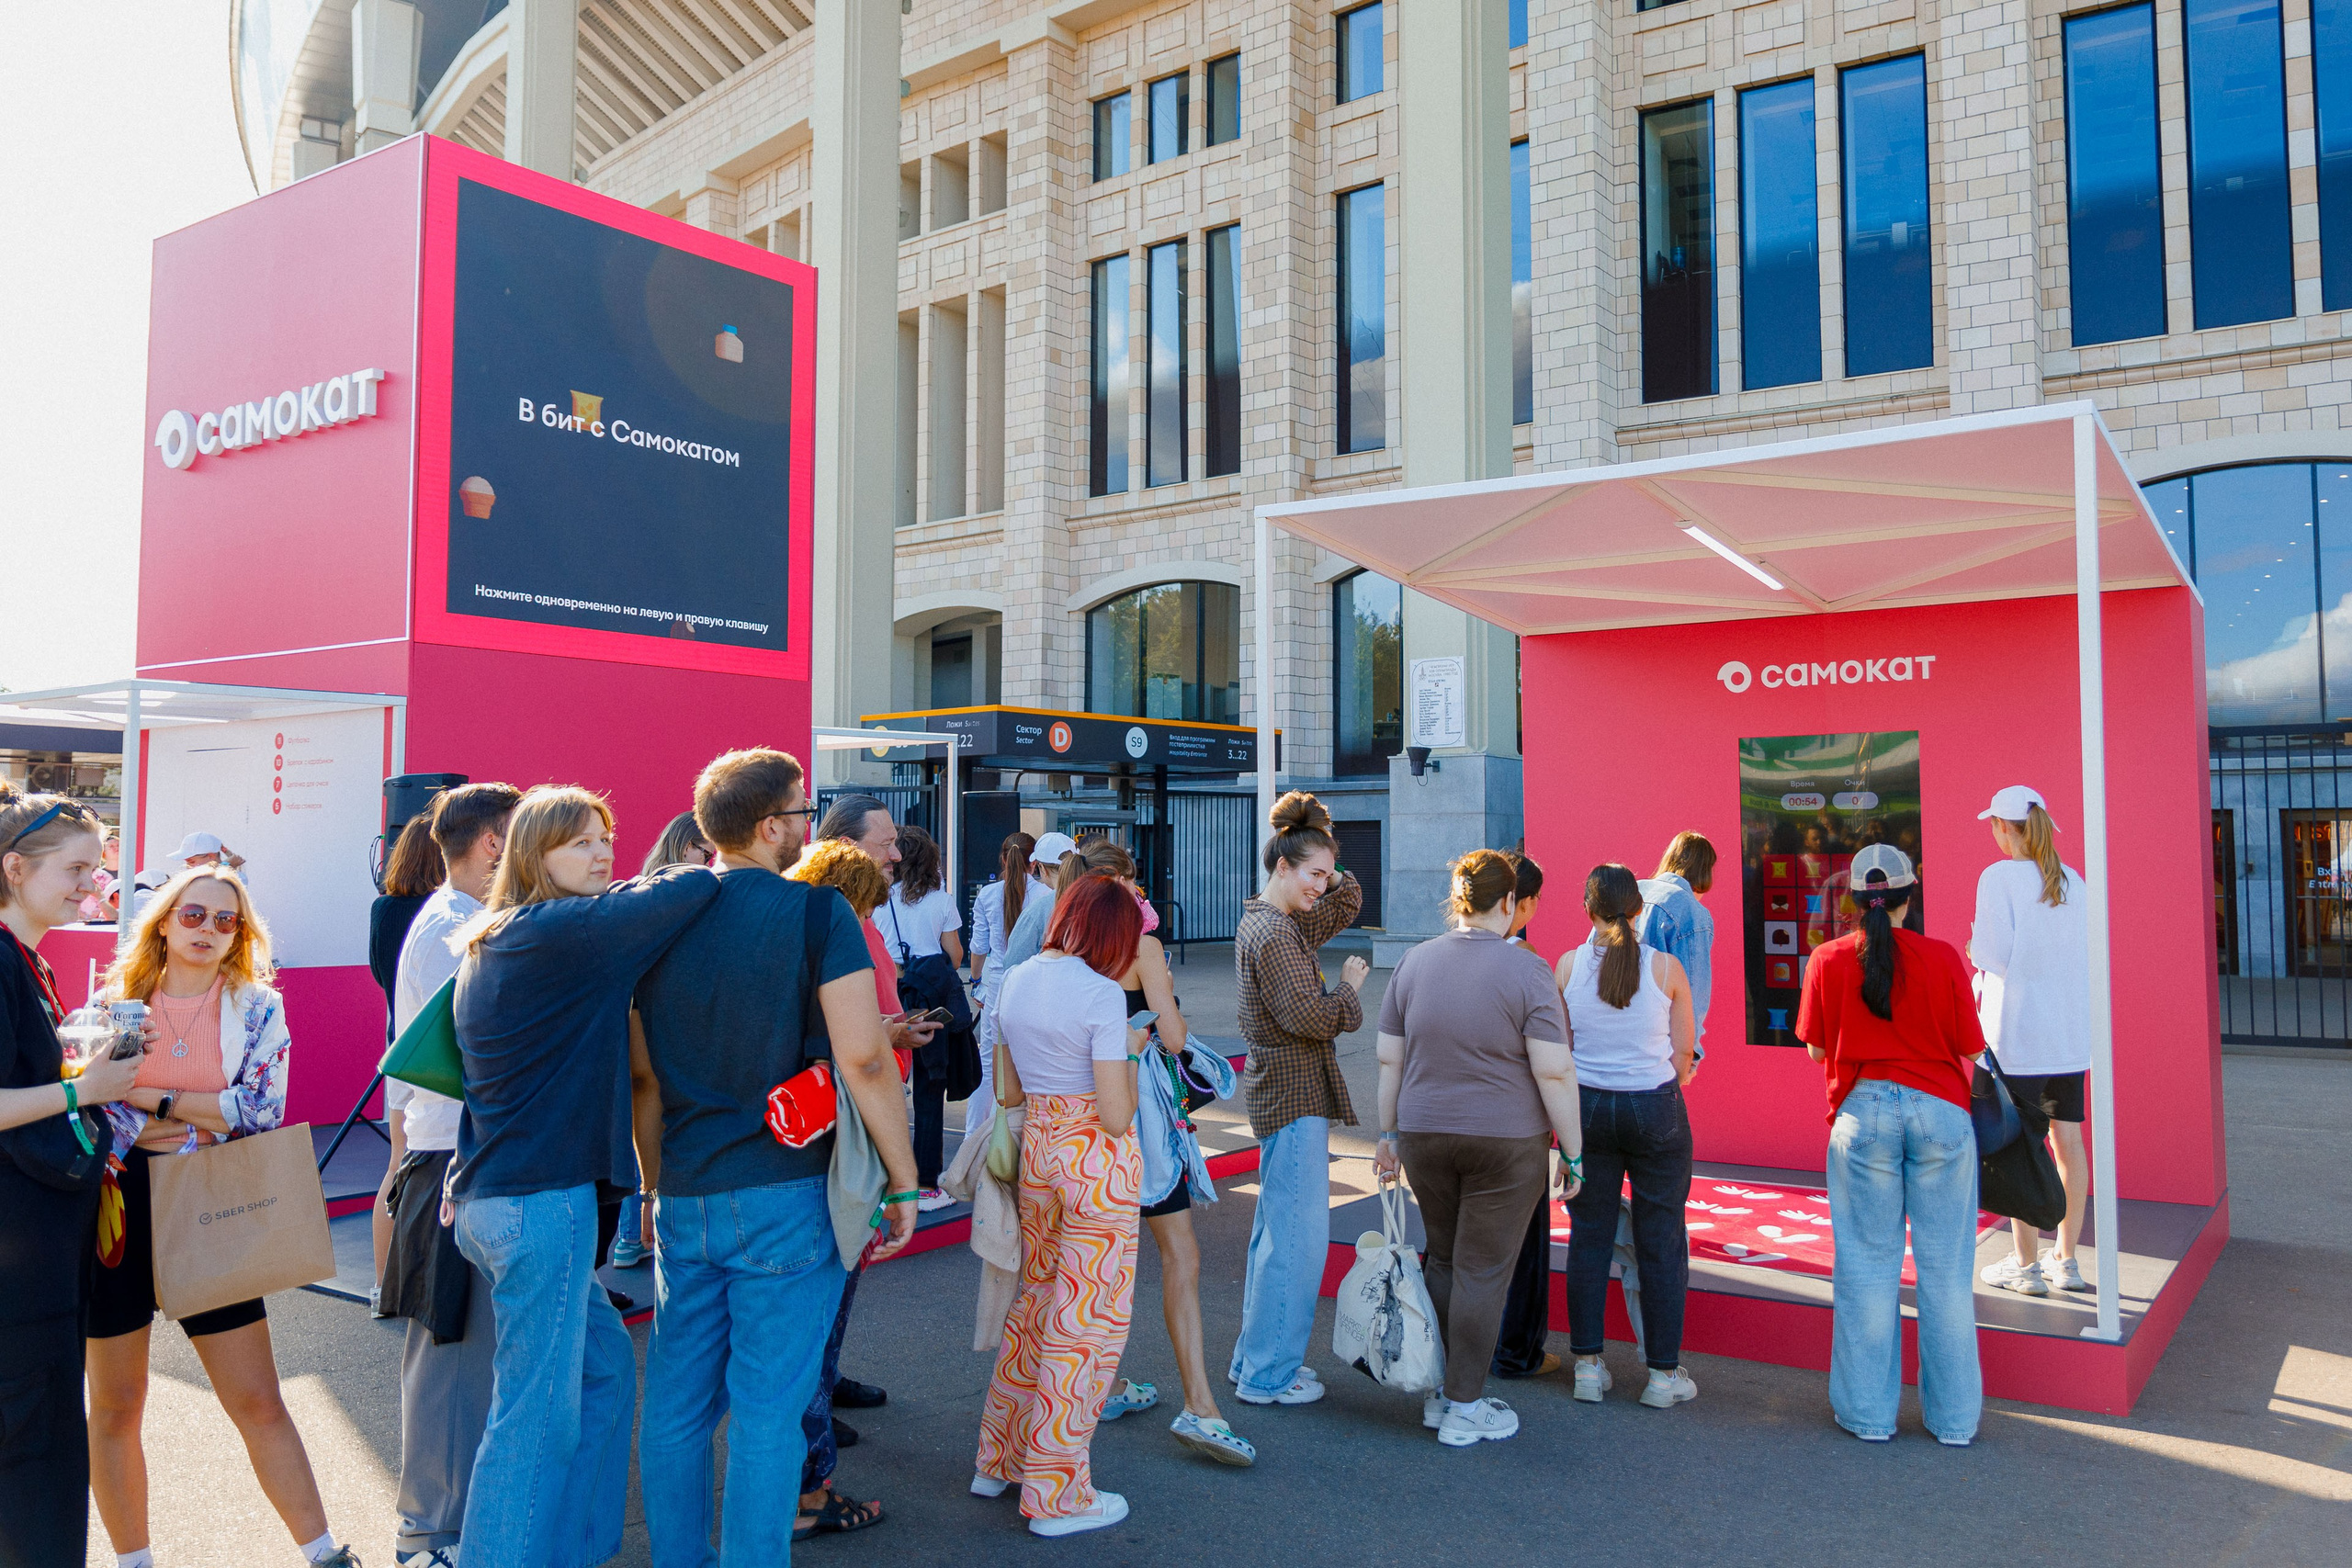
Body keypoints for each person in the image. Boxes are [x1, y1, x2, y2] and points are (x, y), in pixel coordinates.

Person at [634, 750, 922, 1566]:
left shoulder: (659, 914)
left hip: (686, 1189)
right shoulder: (815, 913)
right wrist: (903, 1180)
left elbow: (643, 1076)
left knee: (678, 1410)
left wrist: (654, 1187)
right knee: (767, 1412)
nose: (809, 822)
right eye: (804, 810)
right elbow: (864, 1059)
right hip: (787, 1193)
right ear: (771, 826)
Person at [447, 785, 720, 1568]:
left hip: (506, 1201)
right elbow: (694, 883)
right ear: (535, 855)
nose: (603, 852)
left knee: (602, 1376)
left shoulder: (505, 932)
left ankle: (573, 1550)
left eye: (608, 835)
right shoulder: (564, 931)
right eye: (580, 842)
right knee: (537, 1418)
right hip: (540, 1207)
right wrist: (676, 866)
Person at [85, 863, 359, 1568]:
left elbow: (260, 1110)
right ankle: (133, 1561)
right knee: (116, 1405)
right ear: (165, 922)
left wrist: (155, 1100)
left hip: (210, 1197)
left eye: (225, 919)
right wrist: (184, 1104)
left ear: (241, 933)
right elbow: (92, 1101)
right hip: (119, 1207)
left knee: (257, 1399)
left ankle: (325, 1553)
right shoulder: (119, 1000)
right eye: (194, 914)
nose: (208, 929)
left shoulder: (258, 1007)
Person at [1373, 850, 1584, 1446]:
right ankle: (1465, 1405)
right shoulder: (1527, 970)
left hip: (1422, 1132)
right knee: (1483, 1269)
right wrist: (1573, 1150)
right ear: (1508, 903)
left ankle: (1442, 1393)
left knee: (1442, 1258)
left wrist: (1387, 1136)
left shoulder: (1414, 962)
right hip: (1505, 1139)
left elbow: (1391, 1058)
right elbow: (1554, 1072)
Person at [975, 874, 1152, 1536]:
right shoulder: (1103, 994)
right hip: (1097, 1166)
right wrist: (1133, 1052)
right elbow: (1114, 1114)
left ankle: (999, 1457)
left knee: (1036, 1304)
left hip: (1041, 1151)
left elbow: (1009, 1090)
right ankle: (1056, 1494)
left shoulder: (1017, 978)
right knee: (1088, 1324)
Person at [1796, 843, 1985, 1446]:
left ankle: (1869, 1416)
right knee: (1947, 1273)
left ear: (1853, 899)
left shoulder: (1826, 959)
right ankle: (1955, 1421)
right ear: (1909, 895)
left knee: (1867, 1266)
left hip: (1862, 1114)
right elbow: (1972, 1048)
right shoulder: (1942, 956)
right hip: (1943, 1115)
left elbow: (1817, 1050)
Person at [1073, 840, 1255, 1466]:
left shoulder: (1061, 948)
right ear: (1119, 883)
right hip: (1140, 1117)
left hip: (1074, 1118)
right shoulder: (1141, 949)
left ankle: (1097, 1388)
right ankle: (1200, 1403)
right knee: (1180, 1254)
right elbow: (1174, 1038)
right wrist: (1164, 994)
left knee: (1095, 1265)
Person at [378, 782, 520, 1568]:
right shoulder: (452, 930)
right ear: (495, 840)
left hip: (457, 1157)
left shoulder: (457, 921)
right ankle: (429, 1532)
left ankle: (442, 1527)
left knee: (462, 1353)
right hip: (455, 1160)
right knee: (449, 1355)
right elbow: (466, 1060)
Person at [0, 786, 141, 1568]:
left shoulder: (25, 956)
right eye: (77, 869)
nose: (94, 884)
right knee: (31, 1468)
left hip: (39, 1259)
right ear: (15, 868)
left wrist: (81, 1078)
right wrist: (80, 1090)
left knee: (42, 1457)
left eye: (96, 868)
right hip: (19, 1270)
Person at [782, 837, 936, 1537]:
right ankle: (808, 1489)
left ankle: (798, 1476)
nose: (894, 864)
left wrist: (888, 1032)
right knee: (813, 1326)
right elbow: (857, 1054)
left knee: (778, 1346)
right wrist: (904, 1181)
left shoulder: (787, 933)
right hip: (830, 1149)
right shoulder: (832, 929)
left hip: (778, 1155)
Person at [1228, 791, 1368, 1406]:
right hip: (1294, 1091)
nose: (1323, 885)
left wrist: (1323, 848)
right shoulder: (1279, 932)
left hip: (1282, 1090)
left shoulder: (1273, 920)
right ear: (1281, 866)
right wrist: (1348, 991)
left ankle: (1256, 1362)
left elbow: (1348, 897)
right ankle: (1267, 1375)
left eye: (1324, 873)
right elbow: (1308, 1015)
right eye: (1311, 872)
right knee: (1295, 1242)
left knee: (1276, 1235)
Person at [1555, 863, 1700, 1413]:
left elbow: (1557, 1048)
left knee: (1589, 1239)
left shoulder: (1567, 966)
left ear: (1587, 909)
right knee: (1661, 1241)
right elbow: (1683, 1057)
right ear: (1639, 910)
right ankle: (1663, 1376)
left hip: (1587, 1108)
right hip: (1655, 1109)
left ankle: (1588, 1368)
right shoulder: (1667, 968)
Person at [1970, 785, 2093, 1297]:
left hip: (2014, 1036)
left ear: (2004, 826)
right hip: (2068, 1035)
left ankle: (2025, 1268)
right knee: (2069, 1145)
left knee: (2018, 1148)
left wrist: (1973, 944)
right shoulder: (2072, 879)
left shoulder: (1997, 877)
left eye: (1994, 825)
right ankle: (2066, 1260)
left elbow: (1992, 956)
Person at [610, 813, 714, 1272]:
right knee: (649, 1114)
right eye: (704, 852)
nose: (709, 861)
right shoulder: (675, 898)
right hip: (652, 1024)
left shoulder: (638, 891)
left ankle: (632, 1235)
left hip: (637, 1021)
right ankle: (638, 1231)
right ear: (684, 846)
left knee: (641, 1120)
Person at [369, 811, 447, 1308]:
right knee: (417, 1165)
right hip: (432, 1054)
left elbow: (382, 976)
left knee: (398, 1161)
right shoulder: (443, 913)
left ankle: (383, 1287)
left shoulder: (386, 908)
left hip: (400, 1045)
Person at [1491, 852, 1562, 1381]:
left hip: (1446, 1123)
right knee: (1525, 1243)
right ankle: (1517, 1352)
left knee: (1454, 1247)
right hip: (1515, 1125)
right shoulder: (1529, 964)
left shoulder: (1434, 958)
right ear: (1522, 902)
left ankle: (1445, 1347)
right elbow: (1551, 1060)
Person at [967, 831, 1081, 1139]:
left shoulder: (991, 895)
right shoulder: (1058, 900)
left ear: (1038, 866)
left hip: (1003, 987)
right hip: (1054, 997)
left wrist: (977, 981)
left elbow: (980, 947)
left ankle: (978, 1139)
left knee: (994, 1068)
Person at [881, 823, 967, 1210]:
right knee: (931, 1091)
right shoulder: (941, 901)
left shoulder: (880, 898)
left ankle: (885, 1181)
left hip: (890, 995)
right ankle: (927, 1184)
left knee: (886, 1088)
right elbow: (956, 956)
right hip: (929, 998)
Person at [1636, 830, 1716, 1062]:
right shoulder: (1691, 910)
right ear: (1705, 870)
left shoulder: (1633, 891)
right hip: (1659, 1050)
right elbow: (1692, 993)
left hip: (1608, 1042)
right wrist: (1690, 1058)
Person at [968, 830, 1045, 992]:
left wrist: (976, 980)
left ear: (1004, 860)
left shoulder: (987, 894)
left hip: (997, 983)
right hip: (1035, 983)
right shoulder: (1046, 895)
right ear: (1034, 862)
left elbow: (979, 946)